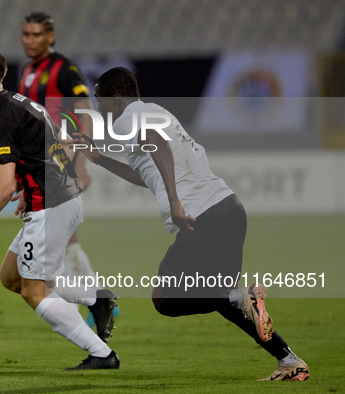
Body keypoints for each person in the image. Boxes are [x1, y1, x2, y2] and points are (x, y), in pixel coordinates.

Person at [71, 67, 310, 381]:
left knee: (166, 298)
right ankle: (289, 361)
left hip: (200, 217)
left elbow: (157, 144)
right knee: (222, 297)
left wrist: (174, 201)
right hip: (228, 208)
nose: (98, 107)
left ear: (115, 98)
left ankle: (242, 298)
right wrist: (100, 158)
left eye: (100, 99)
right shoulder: (157, 112)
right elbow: (148, 174)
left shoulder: (130, 118)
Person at [0, 47, 118, 370]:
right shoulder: (20, 102)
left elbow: (2, 187)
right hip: (60, 200)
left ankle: (102, 355)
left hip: (51, 206)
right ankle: (96, 298)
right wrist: (28, 184)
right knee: (11, 277)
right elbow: (53, 145)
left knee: (33, 292)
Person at [19, 12, 116, 326]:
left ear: (51, 37)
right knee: (65, 239)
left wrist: (80, 161)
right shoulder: (27, 71)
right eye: (26, 35)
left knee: (61, 237)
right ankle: (95, 300)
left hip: (62, 157)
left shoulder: (64, 69)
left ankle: (93, 301)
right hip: (40, 161)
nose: (30, 41)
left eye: (36, 35)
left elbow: (85, 111)